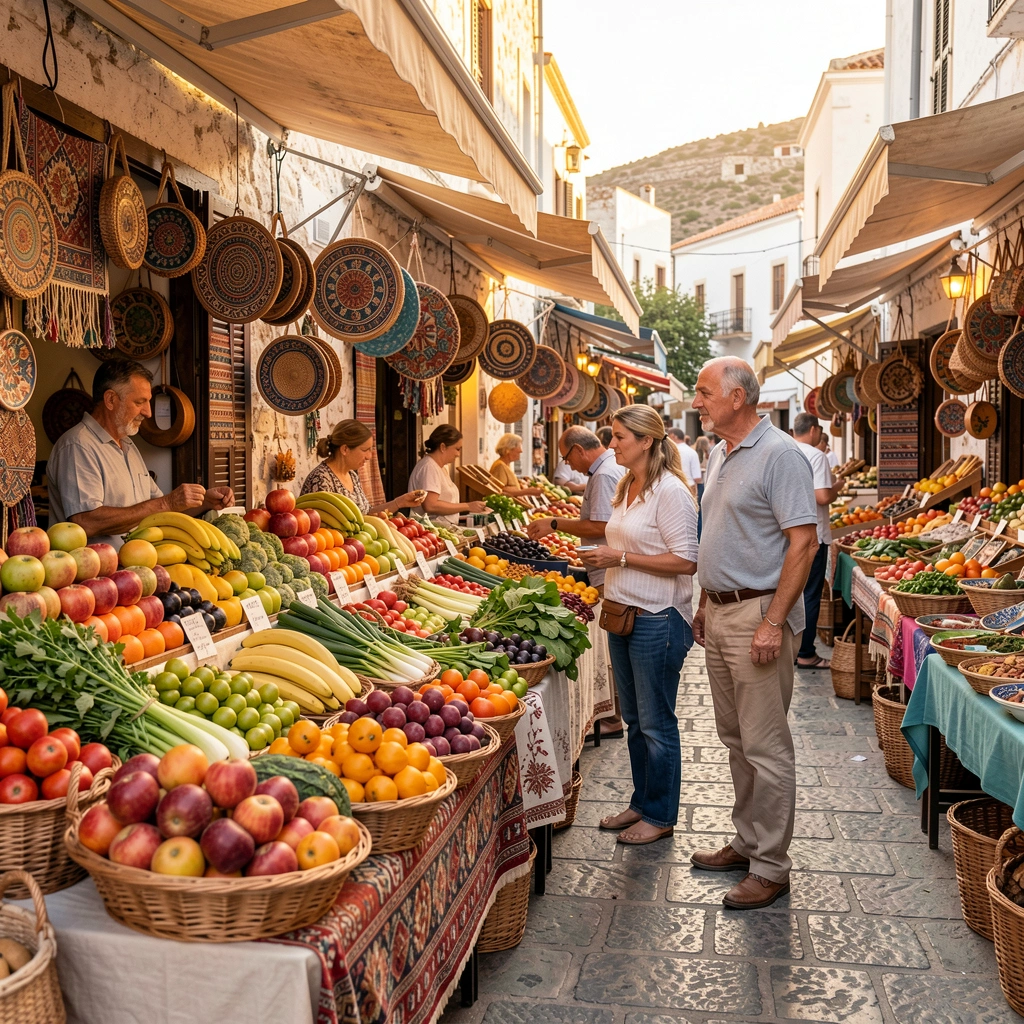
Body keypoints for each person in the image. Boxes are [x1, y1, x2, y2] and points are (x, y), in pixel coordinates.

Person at [690, 357, 818, 910]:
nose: (697, 402)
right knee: (735, 738)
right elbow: (722, 534)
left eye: (704, 392)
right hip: (720, 613)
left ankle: (771, 866)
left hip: (756, 616)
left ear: (738, 397)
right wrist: (703, 600)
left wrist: (772, 621)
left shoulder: (780, 455)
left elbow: (803, 544)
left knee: (765, 745)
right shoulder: (721, 452)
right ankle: (747, 841)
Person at [577, 406, 698, 845]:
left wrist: (618, 558)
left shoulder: (671, 492)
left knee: (656, 722)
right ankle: (641, 802)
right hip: (623, 616)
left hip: (658, 620)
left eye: (619, 437)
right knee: (632, 719)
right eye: (612, 436)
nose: (611, 445)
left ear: (647, 441)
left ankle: (661, 816)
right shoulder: (628, 485)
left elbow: (686, 560)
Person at [46, 359, 233, 550]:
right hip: (95, 575)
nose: (148, 412)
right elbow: (86, 521)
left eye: (148, 402)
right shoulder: (77, 446)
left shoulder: (127, 444)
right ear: (110, 400)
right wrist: (167, 502)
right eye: (139, 402)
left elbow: (159, 510)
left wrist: (205, 502)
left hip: (137, 567)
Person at [528, 425, 626, 737]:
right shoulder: (607, 470)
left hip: (605, 569)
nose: (568, 465)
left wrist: (555, 523)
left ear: (579, 450)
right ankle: (613, 714)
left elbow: (600, 524)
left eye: (567, 458)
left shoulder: (604, 474)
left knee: (612, 645)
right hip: (601, 567)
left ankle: (613, 717)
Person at [793, 413, 842, 670]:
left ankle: (791, 647)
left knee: (790, 593)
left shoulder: (784, 449)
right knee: (809, 595)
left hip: (786, 535)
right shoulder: (816, 455)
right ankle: (805, 652)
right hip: (813, 534)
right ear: (813, 430)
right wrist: (838, 486)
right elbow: (822, 496)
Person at [301, 420, 425, 515]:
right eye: (365, 450)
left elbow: (366, 513)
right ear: (345, 449)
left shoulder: (352, 475)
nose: (369, 457)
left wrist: (400, 502)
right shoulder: (321, 480)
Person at [408, 425, 489, 525]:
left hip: (444, 529)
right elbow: (430, 505)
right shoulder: (429, 467)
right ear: (443, 447)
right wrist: (468, 506)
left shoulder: (440, 467)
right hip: (431, 532)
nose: (458, 454)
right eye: (457, 449)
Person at [667, 427, 700, 496]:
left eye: (668, 436)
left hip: (671, 487)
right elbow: (697, 478)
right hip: (689, 486)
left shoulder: (668, 452)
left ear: (673, 436)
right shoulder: (692, 452)